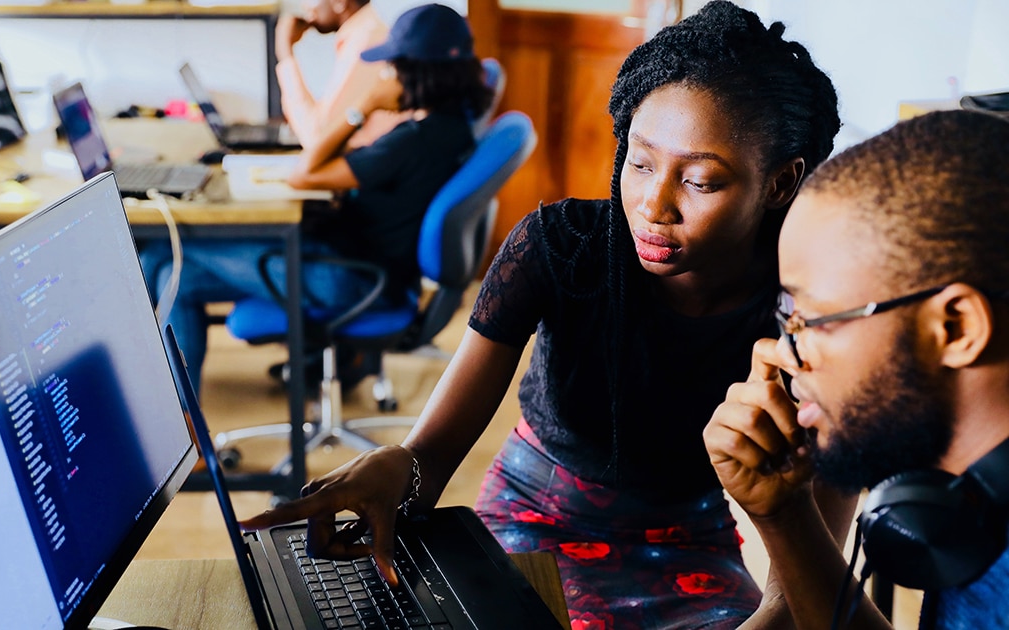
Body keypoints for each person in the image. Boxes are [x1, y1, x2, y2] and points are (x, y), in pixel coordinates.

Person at [241, 2, 846, 627]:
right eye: (638, 163)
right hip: (533, 512)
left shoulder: (815, 313)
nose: (653, 204)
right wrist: (401, 466)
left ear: (779, 183)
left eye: (699, 181)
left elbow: (798, 593)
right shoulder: (560, 248)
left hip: (690, 538)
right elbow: (431, 456)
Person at [704, 110, 1009, 628]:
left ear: (956, 328)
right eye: (786, 315)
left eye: (813, 319)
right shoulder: (968, 504)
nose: (782, 351)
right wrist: (785, 516)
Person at [141, 3, 493, 395]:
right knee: (173, 273)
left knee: (163, 257)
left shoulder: (412, 142)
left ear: (417, 73)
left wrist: (362, 108)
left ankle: (179, 420)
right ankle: (188, 424)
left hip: (349, 279)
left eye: (391, 66)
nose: (383, 74)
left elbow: (304, 172)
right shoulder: (452, 128)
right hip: (364, 267)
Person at [276, 0, 406, 149]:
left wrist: (285, 53)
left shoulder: (364, 43)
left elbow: (318, 139)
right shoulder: (364, 33)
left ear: (340, 2)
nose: (305, 5)